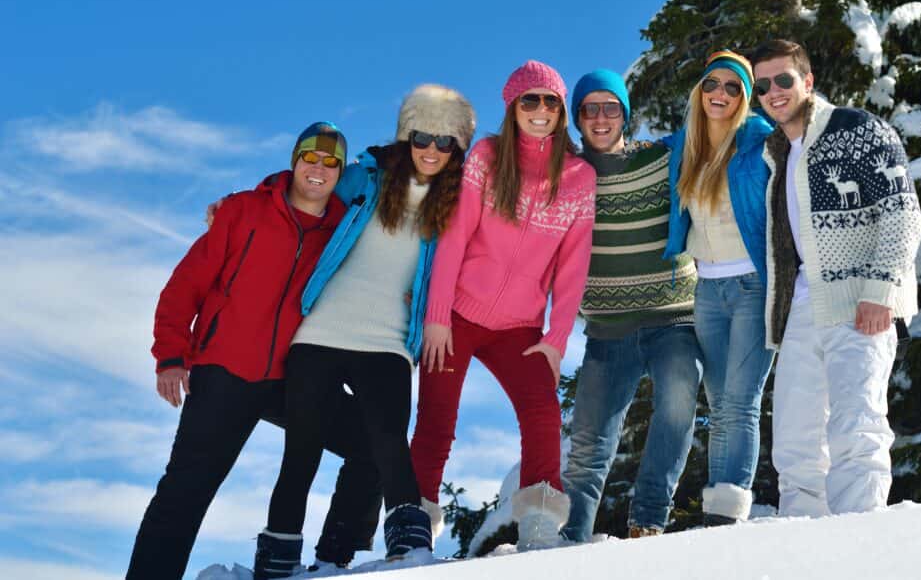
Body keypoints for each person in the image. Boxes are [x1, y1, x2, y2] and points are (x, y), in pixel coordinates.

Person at [253, 85, 476, 578]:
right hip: (321, 332)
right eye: (423, 137)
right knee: (302, 452)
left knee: (388, 443)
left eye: (446, 143)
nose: (432, 150)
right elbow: (305, 185)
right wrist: (245, 199)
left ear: (458, 149)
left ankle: (388, 551)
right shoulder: (367, 177)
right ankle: (277, 560)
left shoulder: (460, 203)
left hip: (388, 341)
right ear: (406, 135)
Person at [127, 122, 361, 580]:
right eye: (310, 158)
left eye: (330, 163)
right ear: (294, 161)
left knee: (374, 439)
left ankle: (336, 560)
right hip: (223, 373)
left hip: (290, 380)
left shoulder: (342, 230)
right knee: (185, 492)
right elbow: (184, 286)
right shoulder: (243, 211)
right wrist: (171, 356)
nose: (318, 169)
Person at [411, 60, 597, 551]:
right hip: (458, 316)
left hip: (520, 327)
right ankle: (411, 530)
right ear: (513, 108)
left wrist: (556, 341)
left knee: (541, 414)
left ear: (561, 112)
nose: (540, 110)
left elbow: (573, 268)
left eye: (550, 102)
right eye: (529, 101)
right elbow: (454, 238)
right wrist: (436, 317)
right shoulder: (489, 157)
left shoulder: (578, 178)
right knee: (436, 421)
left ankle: (539, 526)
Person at [749, 39, 921, 517]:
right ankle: (804, 544)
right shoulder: (778, 152)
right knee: (794, 437)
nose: (773, 91)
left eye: (783, 79)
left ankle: (858, 543)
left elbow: (902, 214)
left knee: (856, 425)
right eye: (763, 85)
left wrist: (881, 291)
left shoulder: (857, 129)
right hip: (804, 306)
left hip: (859, 300)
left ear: (808, 81)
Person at [560, 69, 703, 541]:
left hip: (673, 315)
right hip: (607, 327)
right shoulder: (568, 176)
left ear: (625, 114)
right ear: (577, 119)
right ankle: (572, 534)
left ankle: (648, 519)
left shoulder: (661, 158)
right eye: (590, 109)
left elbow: (716, 128)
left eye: (611, 107)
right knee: (590, 440)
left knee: (679, 402)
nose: (601, 118)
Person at [663, 50, 775, 525]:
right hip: (705, 288)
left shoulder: (759, 140)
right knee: (719, 403)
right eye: (714, 84)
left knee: (741, 401)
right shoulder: (686, 145)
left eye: (734, 88)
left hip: (752, 283)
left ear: (746, 97)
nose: (721, 95)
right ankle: (717, 507)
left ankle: (728, 511)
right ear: (701, 90)